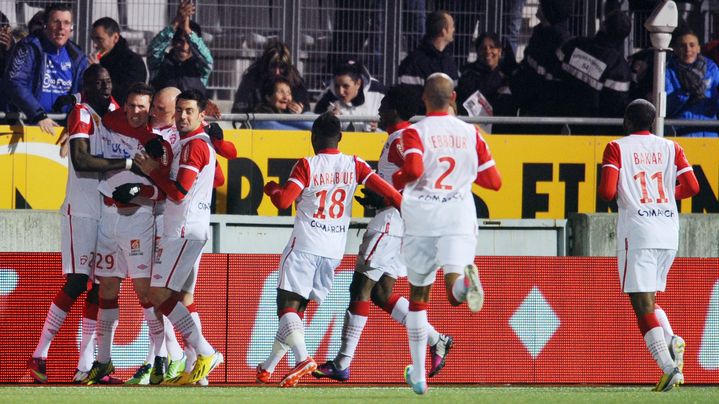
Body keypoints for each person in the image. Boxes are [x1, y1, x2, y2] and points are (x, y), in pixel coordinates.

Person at [312, 85, 453, 382]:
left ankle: (342, 362)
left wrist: (386, 199)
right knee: (381, 292)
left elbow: (419, 178)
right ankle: (435, 339)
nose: (379, 108)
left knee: (359, 288)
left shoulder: (401, 139)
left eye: (385, 103)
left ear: (396, 109)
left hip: (391, 222)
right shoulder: (404, 138)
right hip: (403, 223)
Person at [254, 113, 402, 387]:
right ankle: (268, 367)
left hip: (305, 245)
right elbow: (393, 195)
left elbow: (283, 202)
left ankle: (303, 358)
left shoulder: (307, 165)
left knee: (286, 307)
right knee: (296, 313)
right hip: (333, 251)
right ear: (341, 137)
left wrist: (272, 189)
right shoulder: (354, 163)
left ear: (312, 137)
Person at [392, 73, 502, 395]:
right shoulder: (472, 133)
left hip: (423, 219)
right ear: (453, 96)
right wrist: (464, 176)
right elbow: (494, 182)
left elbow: (412, 170)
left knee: (418, 296)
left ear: (424, 99)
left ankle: (420, 377)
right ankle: (466, 283)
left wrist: (398, 179)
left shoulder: (414, 132)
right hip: (458, 216)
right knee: (453, 289)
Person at [26, 65, 125, 384]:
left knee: (99, 286)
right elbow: (81, 162)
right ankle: (39, 353)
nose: (106, 87)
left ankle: (86, 367)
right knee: (77, 280)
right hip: (80, 210)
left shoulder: (114, 111)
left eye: (109, 81)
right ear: (87, 86)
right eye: (99, 83)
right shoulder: (81, 113)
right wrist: (124, 163)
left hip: (107, 212)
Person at [598, 99, 699, 392]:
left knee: (640, 303)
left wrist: (633, 198)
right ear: (654, 123)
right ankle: (671, 340)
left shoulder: (616, 147)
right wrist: (665, 197)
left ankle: (668, 367)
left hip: (638, 230)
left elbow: (606, 191)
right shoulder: (672, 148)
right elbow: (692, 187)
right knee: (650, 299)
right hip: (668, 230)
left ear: (627, 121)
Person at [133, 89, 224, 385]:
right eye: (180, 111)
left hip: (182, 229)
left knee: (158, 294)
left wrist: (152, 171)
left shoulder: (193, 146)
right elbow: (217, 179)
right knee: (183, 297)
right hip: (187, 228)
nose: (183, 116)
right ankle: (196, 371)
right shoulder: (196, 143)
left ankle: (206, 353)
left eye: (189, 111)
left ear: (201, 115)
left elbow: (179, 191)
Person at [83, 82, 169, 385]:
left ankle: (161, 357)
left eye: (141, 107)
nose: (134, 112)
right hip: (107, 217)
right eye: (130, 105)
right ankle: (103, 362)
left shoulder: (157, 143)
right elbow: (93, 104)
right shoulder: (112, 119)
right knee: (106, 290)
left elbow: (165, 191)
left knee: (145, 293)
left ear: (150, 111)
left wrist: (142, 188)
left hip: (137, 219)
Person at [1, 3, 88, 135]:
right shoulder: (29, 47)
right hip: (26, 126)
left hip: (62, 130)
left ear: (71, 28)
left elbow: (85, 94)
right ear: (45, 26)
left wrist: (75, 126)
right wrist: (38, 115)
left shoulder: (77, 55)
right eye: (56, 22)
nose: (61, 28)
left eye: (66, 23)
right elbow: (14, 81)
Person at [555, 10, 632, 135]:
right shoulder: (619, 67)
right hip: (592, 132)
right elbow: (616, 106)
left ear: (603, 25)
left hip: (559, 120)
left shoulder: (575, 44)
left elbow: (553, 72)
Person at [509, 0, 572, 133]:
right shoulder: (540, 32)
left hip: (544, 116)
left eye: (542, 5)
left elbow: (553, 85)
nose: (538, 6)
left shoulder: (561, 43)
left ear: (549, 11)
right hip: (528, 106)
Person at [147, 0, 213, 94]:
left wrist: (187, 30)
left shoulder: (200, 68)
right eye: (180, 41)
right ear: (173, 41)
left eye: (189, 42)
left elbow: (208, 60)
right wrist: (176, 21)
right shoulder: (159, 63)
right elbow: (154, 49)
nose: (184, 47)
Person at [666, 28, 719, 137]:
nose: (687, 49)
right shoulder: (668, 71)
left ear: (699, 48)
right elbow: (666, 107)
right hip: (681, 133)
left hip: (709, 133)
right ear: (675, 50)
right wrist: (684, 92)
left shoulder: (712, 69)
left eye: (692, 45)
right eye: (683, 45)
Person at [231, 40, 310, 114]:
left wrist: (300, 110)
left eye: (281, 67)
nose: (277, 72)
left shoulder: (295, 81)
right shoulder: (252, 78)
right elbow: (238, 109)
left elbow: (306, 108)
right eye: (273, 67)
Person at [397, 10, 458, 98]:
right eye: (452, 26)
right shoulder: (414, 63)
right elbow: (409, 101)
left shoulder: (449, 62)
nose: (454, 29)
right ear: (443, 31)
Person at [456, 32, 517, 120]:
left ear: (499, 51)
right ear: (477, 51)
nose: (488, 51)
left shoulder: (508, 75)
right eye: (483, 48)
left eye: (492, 47)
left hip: (501, 128)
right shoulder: (467, 73)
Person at [90, 17, 147, 106]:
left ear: (115, 38)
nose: (94, 45)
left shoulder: (133, 63)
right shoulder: (101, 60)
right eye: (93, 39)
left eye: (99, 39)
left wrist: (98, 72)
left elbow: (125, 94)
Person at [314, 61, 385, 132]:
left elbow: (392, 124)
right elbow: (315, 124)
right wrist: (329, 119)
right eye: (337, 86)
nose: (341, 92)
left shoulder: (379, 92)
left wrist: (377, 127)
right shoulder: (328, 95)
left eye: (345, 86)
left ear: (358, 83)